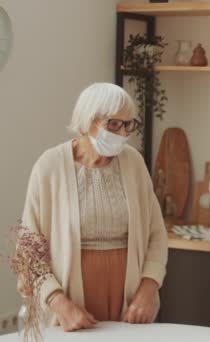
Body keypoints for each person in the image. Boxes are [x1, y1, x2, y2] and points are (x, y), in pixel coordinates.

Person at [21, 83, 168, 331]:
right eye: (113, 124)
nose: (122, 133)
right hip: (69, 305)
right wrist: (57, 301)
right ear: (88, 121)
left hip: (130, 303)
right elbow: (29, 248)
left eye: (128, 124)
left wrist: (149, 287)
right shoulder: (49, 166)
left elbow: (156, 233)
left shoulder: (133, 163)